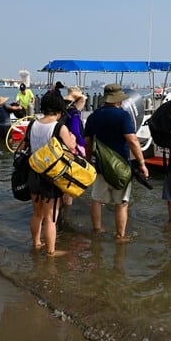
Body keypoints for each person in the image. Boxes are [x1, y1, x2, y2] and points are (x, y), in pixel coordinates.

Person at [84, 83, 149, 242]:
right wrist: (142, 163)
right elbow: (133, 141)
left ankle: (97, 230)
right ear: (118, 99)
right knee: (121, 203)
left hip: (101, 166)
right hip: (121, 167)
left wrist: (88, 161)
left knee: (97, 200)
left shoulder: (94, 116)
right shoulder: (123, 116)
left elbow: (87, 141)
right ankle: (120, 236)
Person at [27, 89, 76, 256]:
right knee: (51, 218)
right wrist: (73, 139)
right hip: (51, 177)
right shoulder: (59, 127)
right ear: (59, 108)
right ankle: (51, 252)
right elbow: (71, 147)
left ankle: (36, 244)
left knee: (37, 214)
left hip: (33, 173)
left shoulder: (32, 124)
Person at [61, 86, 87, 206]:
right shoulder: (75, 113)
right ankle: (66, 211)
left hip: (60, 147)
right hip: (72, 150)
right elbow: (76, 132)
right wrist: (83, 146)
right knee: (69, 186)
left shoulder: (62, 111)